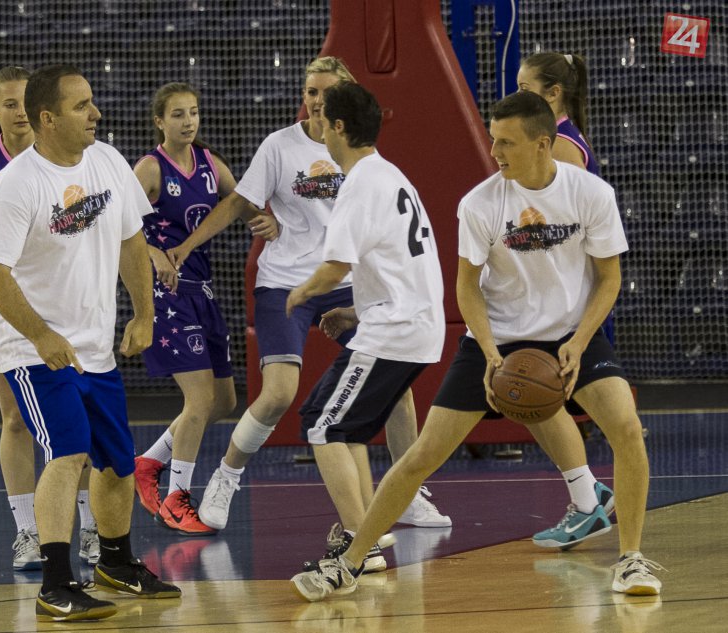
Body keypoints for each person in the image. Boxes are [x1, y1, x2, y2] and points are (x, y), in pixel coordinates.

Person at [291, 91, 663, 601]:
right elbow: (467, 287)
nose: (494, 151)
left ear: (542, 144)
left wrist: (579, 342)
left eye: (506, 142)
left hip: (571, 333)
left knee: (627, 428)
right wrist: (490, 352)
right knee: (421, 456)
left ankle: (631, 559)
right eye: (492, 140)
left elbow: (609, 278)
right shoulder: (480, 202)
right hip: (499, 337)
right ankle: (350, 562)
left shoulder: (590, 193)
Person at [163, 56, 450, 535]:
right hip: (286, 283)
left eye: (326, 92)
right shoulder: (280, 146)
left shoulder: (360, 157)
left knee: (395, 390)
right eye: (310, 91)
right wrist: (187, 245)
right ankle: (226, 477)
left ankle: (408, 494)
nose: (316, 100)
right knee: (279, 393)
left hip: (343, 283)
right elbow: (239, 202)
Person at [0, 65, 180, 623]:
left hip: (94, 346)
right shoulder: (15, 185)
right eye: (81, 106)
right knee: (67, 453)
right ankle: (55, 584)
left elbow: (132, 241)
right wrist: (40, 334)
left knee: (116, 461)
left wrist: (144, 313)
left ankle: (115, 562)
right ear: (47, 119)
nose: (95, 113)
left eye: (92, 102)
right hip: (33, 349)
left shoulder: (108, 160)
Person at [285, 81, 445, 572]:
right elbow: (401, 265)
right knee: (345, 430)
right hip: (414, 324)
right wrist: (355, 313)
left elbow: (335, 267)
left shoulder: (359, 184)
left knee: (320, 423)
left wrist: (300, 293)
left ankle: (359, 544)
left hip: (395, 331)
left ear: (337, 127)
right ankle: (364, 536)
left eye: (320, 116)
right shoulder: (391, 175)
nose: (314, 123)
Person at [0, 66, 98, 571]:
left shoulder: (65, 155)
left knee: (78, 414)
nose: (18, 112)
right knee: (15, 417)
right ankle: (26, 532)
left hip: (61, 304)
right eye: (8, 103)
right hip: (3, 301)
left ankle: (90, 526)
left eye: (23, 102)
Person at [132, 83, 276, 534]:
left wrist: (268, 220)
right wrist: (154, 255)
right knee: (198, 401)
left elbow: (245, 203)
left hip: (203, 291)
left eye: (193, 112)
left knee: (224, 401)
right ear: (160, 121)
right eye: (178, 114)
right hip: (167, 295)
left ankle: (148, 462)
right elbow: (118, 227)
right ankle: (177, 499)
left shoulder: (211, 164)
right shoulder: (150, 168)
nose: (188, 121)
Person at [516, 52, 619, 548]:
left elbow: (565, 230)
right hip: (555, 294)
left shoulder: (560, 147)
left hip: (566, 299)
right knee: (527, 395)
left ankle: (588, 499)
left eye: (525, 87)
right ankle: (588, 493)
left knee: (531, 391)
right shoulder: (560, 138)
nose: (516, 95)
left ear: (553, 93)